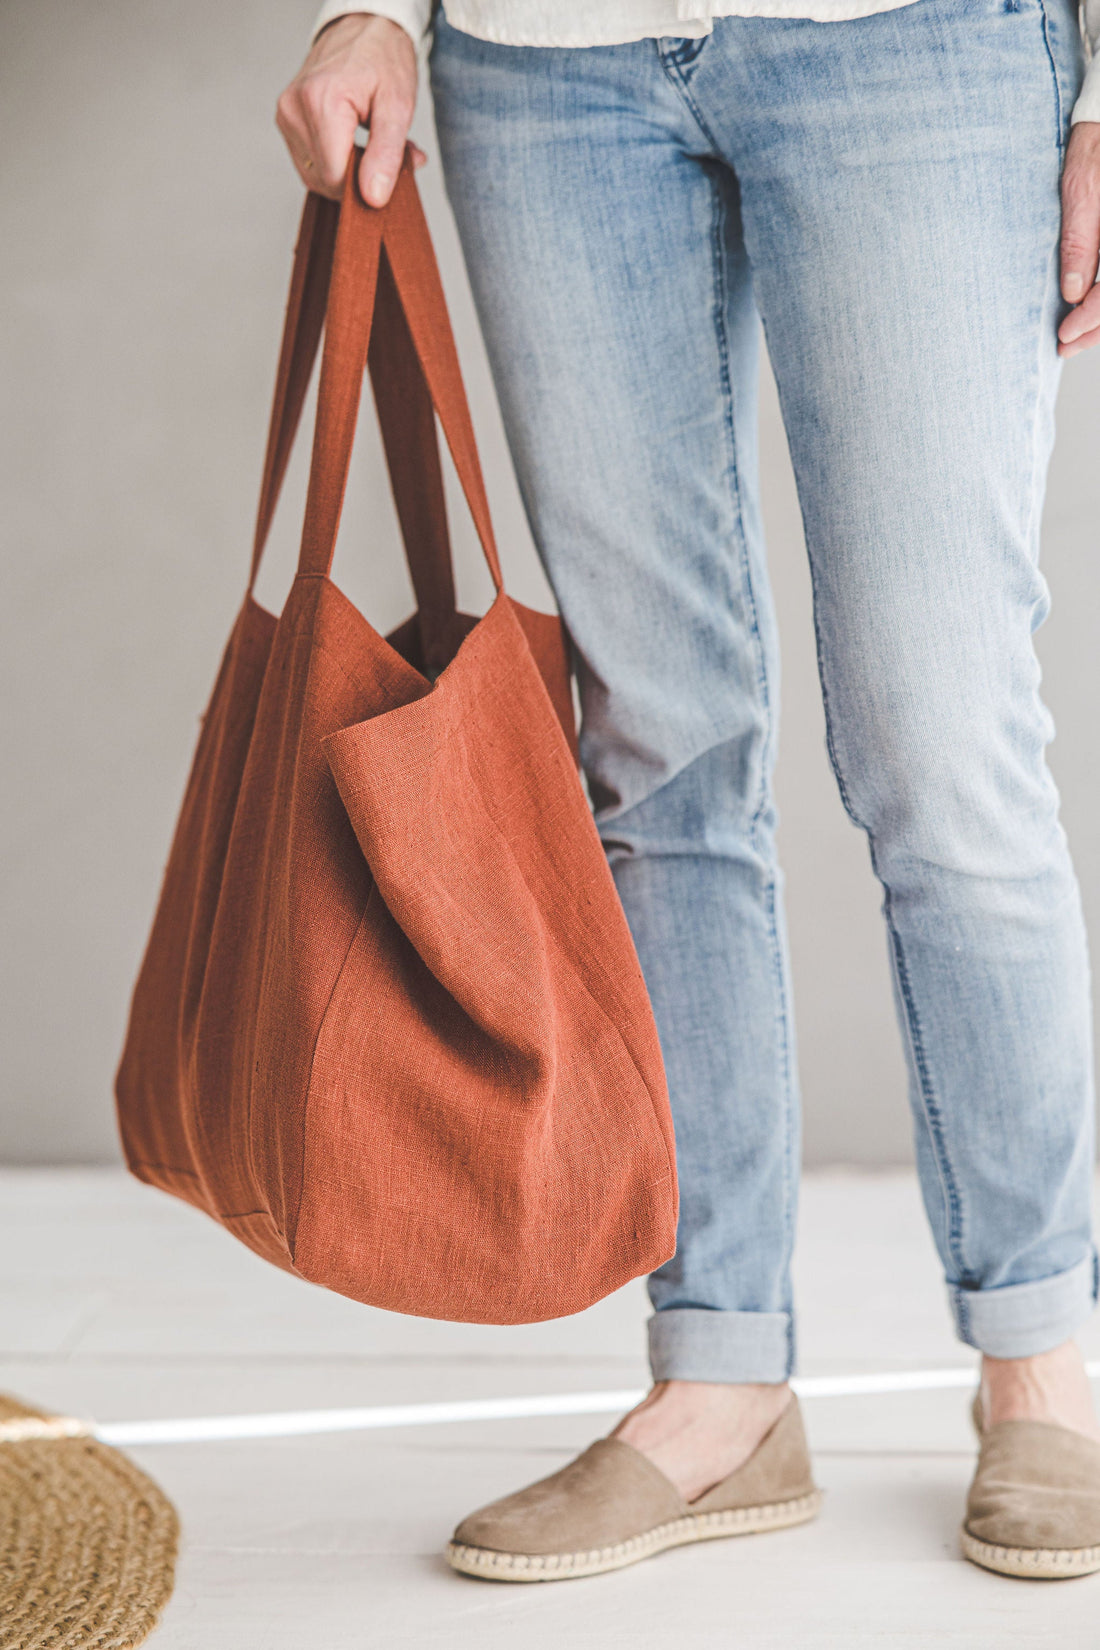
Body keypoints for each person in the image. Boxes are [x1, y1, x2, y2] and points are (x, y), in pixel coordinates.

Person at [277, 0, 1100, 1582]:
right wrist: (364, 10)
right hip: (544, 60)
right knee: (653, 746)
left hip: (917, 45)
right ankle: (719, 1379)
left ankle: (1038, 1360)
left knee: (946, 739)